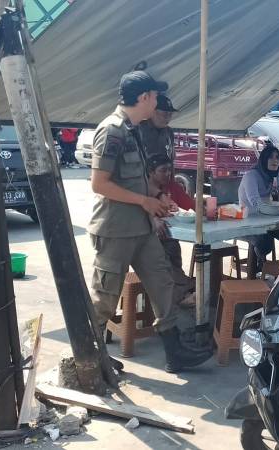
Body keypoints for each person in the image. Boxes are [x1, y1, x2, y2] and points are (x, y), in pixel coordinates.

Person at [89, 70, 211, 373]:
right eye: (155, 96)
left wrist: (156, 196)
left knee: (162, 283)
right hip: (116, 229)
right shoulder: (113, 130)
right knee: (105, 298)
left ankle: (175, 352)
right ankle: (89, 359)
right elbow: (99, 184)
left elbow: (138, 178)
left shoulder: (134, 131)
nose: (157, 102)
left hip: (142, 228)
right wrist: (145, 201)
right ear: (144, 97)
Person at [238, 143, 279, 271]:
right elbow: (256, 203)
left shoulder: (275, 176)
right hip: (249, 222)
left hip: (270, 221)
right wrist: (278, 198)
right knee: (265, 243)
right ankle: (257, 269)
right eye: (271, 157)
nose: (275, 160)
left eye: (277, 157)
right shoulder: (251, 176)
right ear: (264, 159)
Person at [146, 153, 196, 307]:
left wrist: (206, 206)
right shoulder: (141, 188)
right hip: (145, 240)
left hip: (169, 237)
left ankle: (184, 289)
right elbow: (134, 211)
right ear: (151, 172)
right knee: (164, 259)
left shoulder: (172, 186)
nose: (168, 174)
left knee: (173, 250)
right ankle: (183, 294)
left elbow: (190, 205)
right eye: (163, 170)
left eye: (170, 170)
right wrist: (152, 219)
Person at [140, 94, 177, 160]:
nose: (168, 118)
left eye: (170, 114)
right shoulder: (139, 130)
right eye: (165, 113)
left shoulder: (169, 132)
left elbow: (172, 157)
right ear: (152, 112)